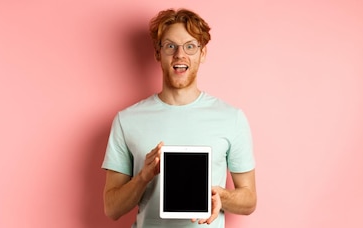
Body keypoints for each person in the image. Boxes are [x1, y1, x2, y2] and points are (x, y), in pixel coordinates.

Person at [102, 8, 257, 228]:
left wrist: (220, 195)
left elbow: (250, 200)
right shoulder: (126, 120)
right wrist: (143, 177)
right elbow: (112, 208)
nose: (180, 55)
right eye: (170, 46)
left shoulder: (232, 118)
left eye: (190, 46)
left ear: (202, 54)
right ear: (158, 53)